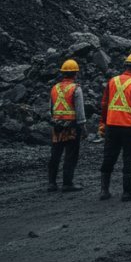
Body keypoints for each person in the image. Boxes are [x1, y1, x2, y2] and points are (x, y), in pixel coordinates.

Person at [99, 51, 131, 201]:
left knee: (108, 157)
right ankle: (127, 193)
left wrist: (102, 124)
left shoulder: (112, 81)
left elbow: (105, 104)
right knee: (129, 159)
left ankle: (104, 191)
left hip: (112, 126)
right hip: (129, 128)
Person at [48, 59, 86, 192]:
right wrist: (83, 127)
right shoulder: (76, 88)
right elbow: (80, 111)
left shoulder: (54, 88)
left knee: (55, 154)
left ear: (63, 73)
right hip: (72, 127)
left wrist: (55, 121)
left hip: (57, 126)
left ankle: (51, 183)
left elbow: (51, 109)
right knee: (71, 155)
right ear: (75, 73)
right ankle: (67, 183)